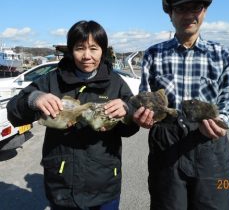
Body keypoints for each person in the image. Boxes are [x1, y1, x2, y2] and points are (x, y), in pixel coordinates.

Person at [133, 0, 229, 210]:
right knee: (167, 205)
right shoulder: (153, 54)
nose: (189, 14)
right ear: (170, 13)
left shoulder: (222, 54)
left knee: (215, 205)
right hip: (166, 144)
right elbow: (145, 95)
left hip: (210, 145)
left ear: (204, 12)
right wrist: (144, 116)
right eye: (181, 8)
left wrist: (222, 120)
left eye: (196, 8)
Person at [7, 20, 139, 210]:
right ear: (71, 50)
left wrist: (127, 111)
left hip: (104, 185)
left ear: (103, 50)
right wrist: (34, 98)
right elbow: (14, 112)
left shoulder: (115, 82)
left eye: (94, 48)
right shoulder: (52, 79)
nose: (87, 56)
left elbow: (130, 128)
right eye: (80, 48)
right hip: (62, 185)